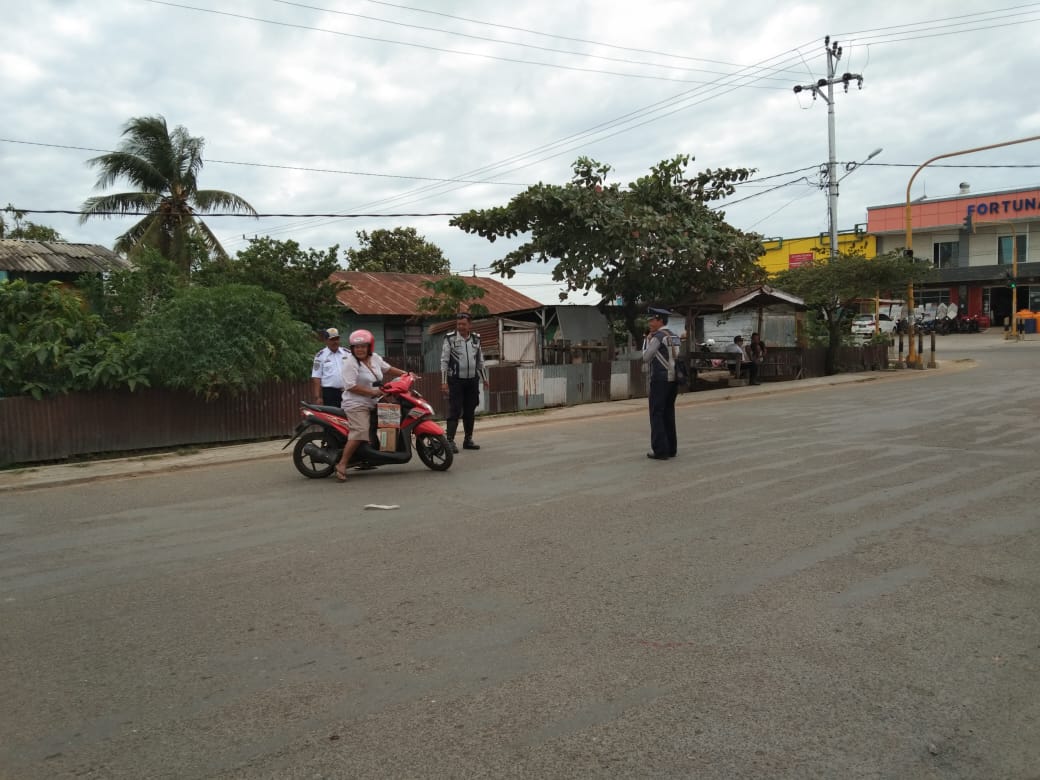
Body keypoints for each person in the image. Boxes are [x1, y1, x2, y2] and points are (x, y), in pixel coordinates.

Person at [333, 329, 408, 482]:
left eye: (363, 346)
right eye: (356, 347)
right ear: (352, 348)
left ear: (370, 347)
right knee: (360, 430)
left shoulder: (374, 358)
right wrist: (373, 392)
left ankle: (379, 453)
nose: (359, 349)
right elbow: (350, 386)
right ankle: (342, 463)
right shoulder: (350, 362)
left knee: (392, 416)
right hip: (356, 404)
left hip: (374, 400)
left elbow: (388, 368)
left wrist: (406, 374)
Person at [440, 312, 488, 453]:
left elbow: (480, 361)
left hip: (472, 380)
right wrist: (444, 382)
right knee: (454, 410)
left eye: (463, 324)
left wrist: (485, 378)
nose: (460, 326)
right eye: (458, 324)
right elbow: (444, 361)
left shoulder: (476, 339)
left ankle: (468, 439)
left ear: (469, 325)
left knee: (470, 410)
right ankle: (449, 441)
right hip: (455, 380)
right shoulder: (450, 339)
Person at [641, 307, 680, 460]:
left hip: (660, 380)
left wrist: (646, 341)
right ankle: (671, 448)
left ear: (660, 321)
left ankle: (660, 450)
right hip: (673, 379)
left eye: (652, 320)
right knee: (668, 413)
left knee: (656, 414)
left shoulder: (657, 336)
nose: (650, 323)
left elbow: (646, 357)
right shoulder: (674, 335)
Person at [310, 328, 347, 406]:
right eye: (332, 339)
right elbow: (317, 376)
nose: (335, 342)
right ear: (326, 341)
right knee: (331, 417)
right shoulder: (319, 356)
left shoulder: (347, 353)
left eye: (337, 339)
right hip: (330, 393)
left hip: (348, 392)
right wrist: (317, 397)